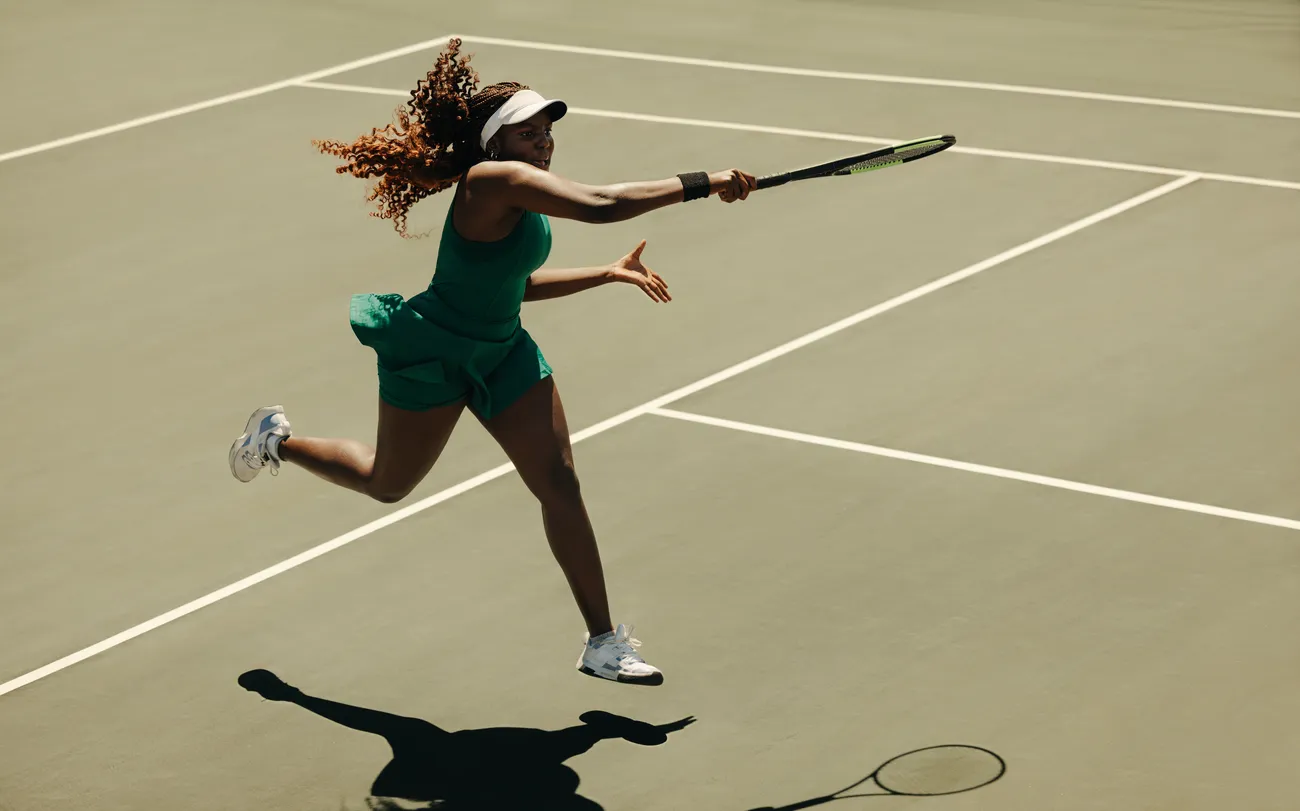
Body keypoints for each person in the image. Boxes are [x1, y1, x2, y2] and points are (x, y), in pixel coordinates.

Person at [227, 37, 756, 686]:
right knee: (386, 483)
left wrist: (608, 272)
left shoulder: (521, 197)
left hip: (503, 350)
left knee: (559, 481)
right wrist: (707, 182)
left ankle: (602, 642)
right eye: (527, 132)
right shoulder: (489, 181)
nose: (543, 141)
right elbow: (602, 205)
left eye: (546, 132)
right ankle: (277, 440)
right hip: (435, 351)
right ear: (496, 144)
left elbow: (518, 286)